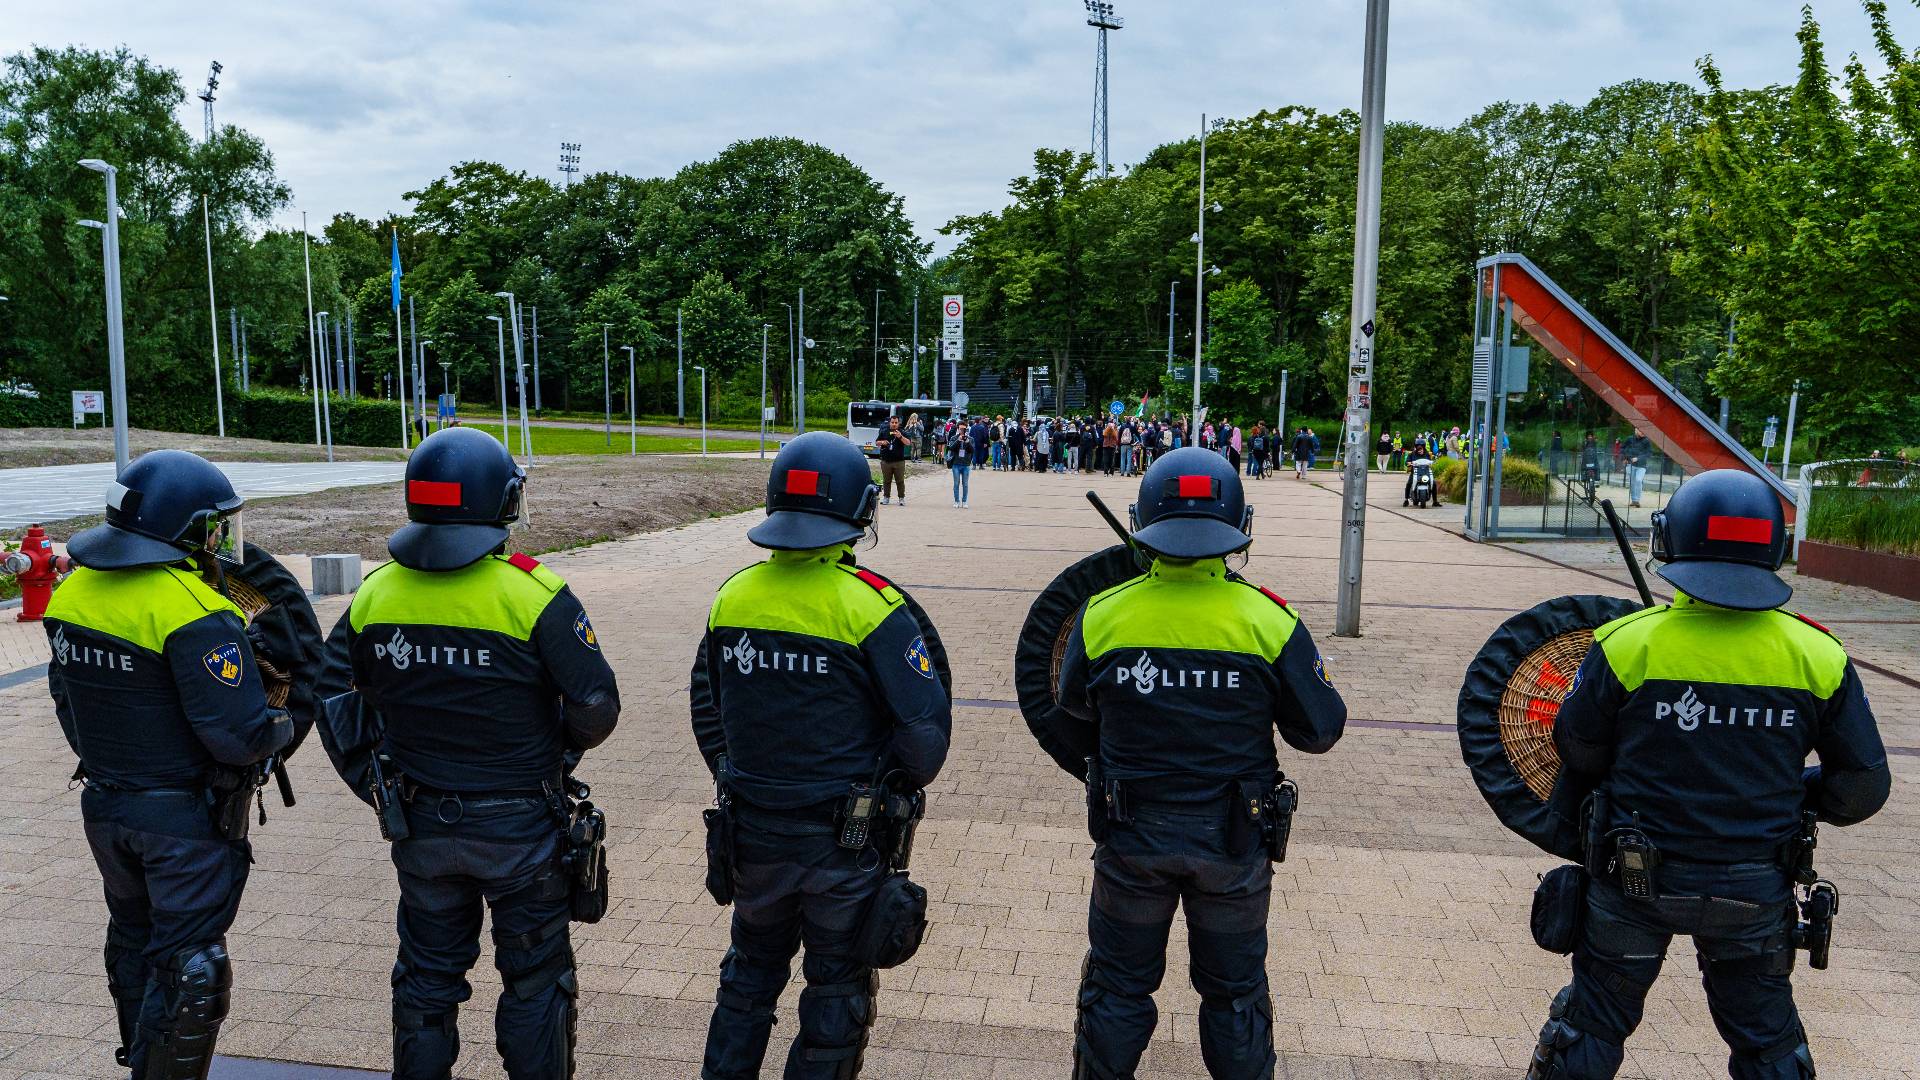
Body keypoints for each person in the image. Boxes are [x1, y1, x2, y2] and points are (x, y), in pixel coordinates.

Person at [1526, 468, 1889, 1080]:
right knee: (1768, 1043)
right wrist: (1792, 796)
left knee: (1589, 1027)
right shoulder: (1818, 655)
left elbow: (1579, 751)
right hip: (1755, 892)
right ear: (1775, 549)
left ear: (1669, 541)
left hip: (1632, 882)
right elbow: (1862, 787)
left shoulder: (1627, 645)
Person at [315, 427, 622, 1079]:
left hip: (421, 828)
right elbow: (598, 709)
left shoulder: (375, 595)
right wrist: (549, 752)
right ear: (499, 503)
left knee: (426, 984)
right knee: (538, 982)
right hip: (522, 833)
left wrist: (375, 778)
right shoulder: (534, 594)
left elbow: (338, 694)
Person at [1057, 447, 1347, 1080]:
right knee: (1235, 996)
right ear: (1240, 525)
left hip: (1131, 844)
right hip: (1233, 850)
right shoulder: (1269, 620)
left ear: (1143, 521)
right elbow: (1320, 730)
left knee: (1117, 990)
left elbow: (1071, 704)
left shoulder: (1103, 615)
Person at [693, 432, 952, 1080]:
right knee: (836, 991)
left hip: (753, 837)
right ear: (861, 511)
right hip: (844, 844)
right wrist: (879, 790)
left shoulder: (733, 597)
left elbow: (707, 709)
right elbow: (924, 744)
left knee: (747, 977)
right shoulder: (872, 608)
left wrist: (743, 778)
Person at [48, 450, 298, 1077]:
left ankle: (139, 1060)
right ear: (184, 531)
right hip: (184, 823)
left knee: (133, 940)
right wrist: (283, 720)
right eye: (214, 527)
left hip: (106, 807)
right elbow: (238, 738)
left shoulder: (73, 591)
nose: (219, 539)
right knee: (191, 969)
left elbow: (67, 704)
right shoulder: (193, 610)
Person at [875, 416, 910, 505]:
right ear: (889, 423)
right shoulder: (884, 431)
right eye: (892, 422)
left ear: (898, 423)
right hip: (886, 460)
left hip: (899, 461)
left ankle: (901, 498)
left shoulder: (902, 432)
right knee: (886, 480)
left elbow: (908, 443)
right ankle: (886, 497)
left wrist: (900, 437)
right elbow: (876, 443)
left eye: (896, 423)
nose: (894, 424)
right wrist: (882, 442)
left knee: (900, 480)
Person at [1622, 432, 1652, 508]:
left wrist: (1638, 458)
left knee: (1638, 480)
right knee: (1632, 482)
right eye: (1640, 430)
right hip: (1630, 464)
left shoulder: (1646, 441)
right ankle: (1634, 500)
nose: (1642, 432)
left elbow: (1648, 453)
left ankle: (1637, 500)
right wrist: (1625, 458)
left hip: (1641, 465)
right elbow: (1622, 448)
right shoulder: (1630, 439)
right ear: (1636, 430)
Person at [947, 422, 972, 507]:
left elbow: (973, 451)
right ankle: (956, 501)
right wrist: (958, 441)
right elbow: (950, 448)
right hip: (956, 463)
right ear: (958, 429)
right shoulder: (954, 438)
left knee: (965, 484)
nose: (962, 431)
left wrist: (968, 443)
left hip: (966, 463)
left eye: (964, 429)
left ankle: (964, 501)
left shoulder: (970, 439)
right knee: (956, 483)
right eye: (961, 429)